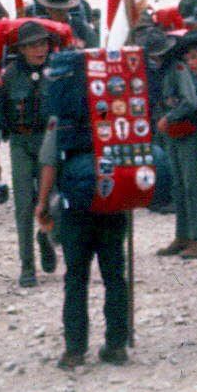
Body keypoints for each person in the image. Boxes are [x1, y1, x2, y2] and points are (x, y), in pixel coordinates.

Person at [35, 72, 132, 369]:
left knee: (75, 277)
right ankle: (117, 345)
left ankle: (75, 350)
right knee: (114, 275)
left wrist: (42, 202)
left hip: (76, 207)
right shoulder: (119, 113)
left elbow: (49, 162)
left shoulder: (62, 118)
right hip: (112, 203)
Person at [0, 22, 60, 287]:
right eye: (32, 46)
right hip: (20, 143)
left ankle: (46, 238)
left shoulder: (57, 72)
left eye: (43, 44)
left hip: (49, 142)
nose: (39, 50)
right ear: (22, 50)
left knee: (52, 200)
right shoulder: (9, 76)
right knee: (23, 205)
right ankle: (27, 265)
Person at [155, 32, 197, 257]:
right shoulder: (165, 71)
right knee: (178, 185)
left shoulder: (178, 69)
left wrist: (170, 117)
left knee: (191, 184)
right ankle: (183, 234)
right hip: (173, 132)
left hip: (187, 130)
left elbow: (190, 101)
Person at [32, 0, 96, 46]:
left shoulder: (81, 27)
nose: (58, 13)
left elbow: (93, 47)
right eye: (53, 9)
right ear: (47, 9)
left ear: (68, 8)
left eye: (62, 9)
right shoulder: (39, 27)